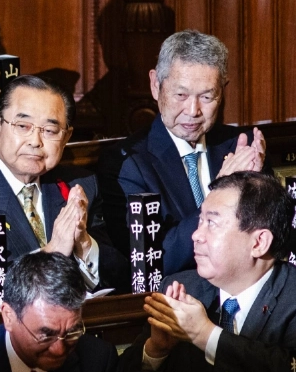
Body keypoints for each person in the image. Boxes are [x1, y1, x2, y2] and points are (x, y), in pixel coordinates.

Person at [122, 171, 296, 372]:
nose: (196, 235)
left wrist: (205, 334)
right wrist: (156, 350)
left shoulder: (292, 296)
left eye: (212, 223)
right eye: (200, 220)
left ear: (259, 242)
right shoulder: (180, 287)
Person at [0, 76, 128, 314]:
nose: (35, 141)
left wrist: (83, 243)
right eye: (23, 126)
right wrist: (54, 251)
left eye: (50, 130)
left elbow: (122, 274)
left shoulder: (82, 185)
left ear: (65, 138)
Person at [98, 30, 268, 275]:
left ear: (222, 91)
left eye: (207, 97)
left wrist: (260, 188)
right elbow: (152, 262)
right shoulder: (127, 163)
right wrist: (222, 191)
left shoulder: (242, 147)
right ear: (155, 86)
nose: (193, 110)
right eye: (180, 95)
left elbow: (273, 238)